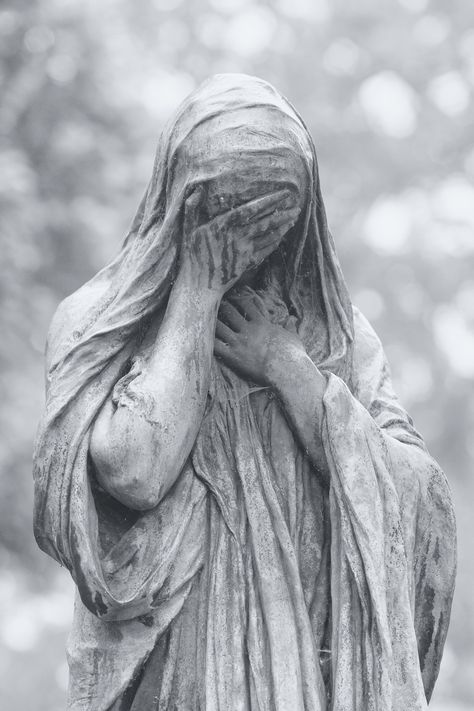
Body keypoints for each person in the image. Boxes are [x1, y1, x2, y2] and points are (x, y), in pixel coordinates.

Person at [33, 74, 456, 711]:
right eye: (231, 212)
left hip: (305, 672)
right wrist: (197, 295)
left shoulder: (337, 339)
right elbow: (134, 472)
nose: (252, 239)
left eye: (273, 217)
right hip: (166, 664)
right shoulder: (101, 323)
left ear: (305, 213)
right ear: (181, 199)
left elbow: (418, 499)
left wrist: (291, 370)